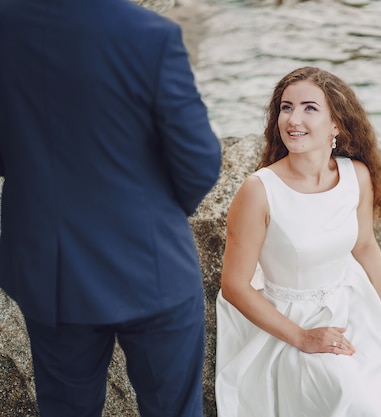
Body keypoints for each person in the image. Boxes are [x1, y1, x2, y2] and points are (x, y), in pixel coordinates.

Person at [0, 0, 222, 416]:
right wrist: (155, 216)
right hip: (151, 267)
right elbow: (198, 161)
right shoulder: (150, 35)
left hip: (51, 269)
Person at [215, 66, 381, 416]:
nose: (293, 119)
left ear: (336, 124)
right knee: (356, 402)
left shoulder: (355, 175)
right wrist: (302, 337)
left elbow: (364, 246)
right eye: (286, 107)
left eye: (309, 108)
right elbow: (235, 285)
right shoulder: (259, 191)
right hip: (293, 323)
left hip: (355, 309)